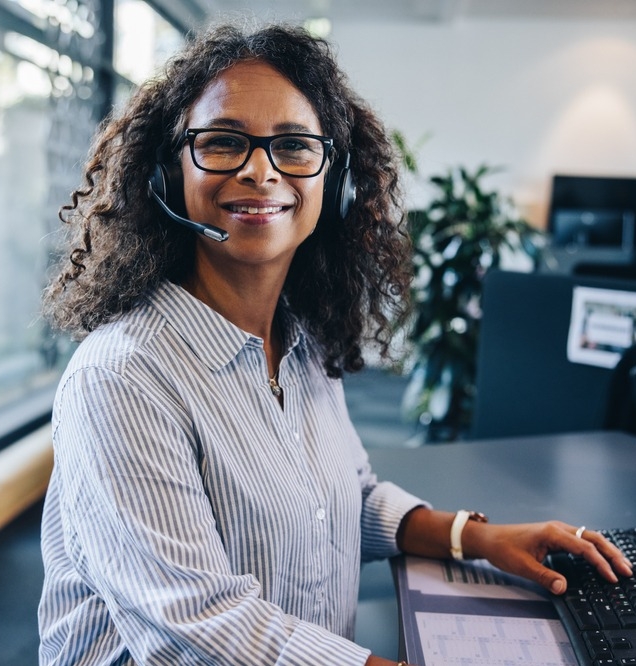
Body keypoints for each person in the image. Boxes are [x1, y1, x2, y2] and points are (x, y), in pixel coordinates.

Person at [38, 22, 632, 666]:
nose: (260, 170)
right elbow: (197, 626)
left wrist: (479, 539)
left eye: (294, 146)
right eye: (223, 142)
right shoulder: (123, 378)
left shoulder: (300, 341)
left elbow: (347, 499)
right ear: (167, 172)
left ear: (334, 183)